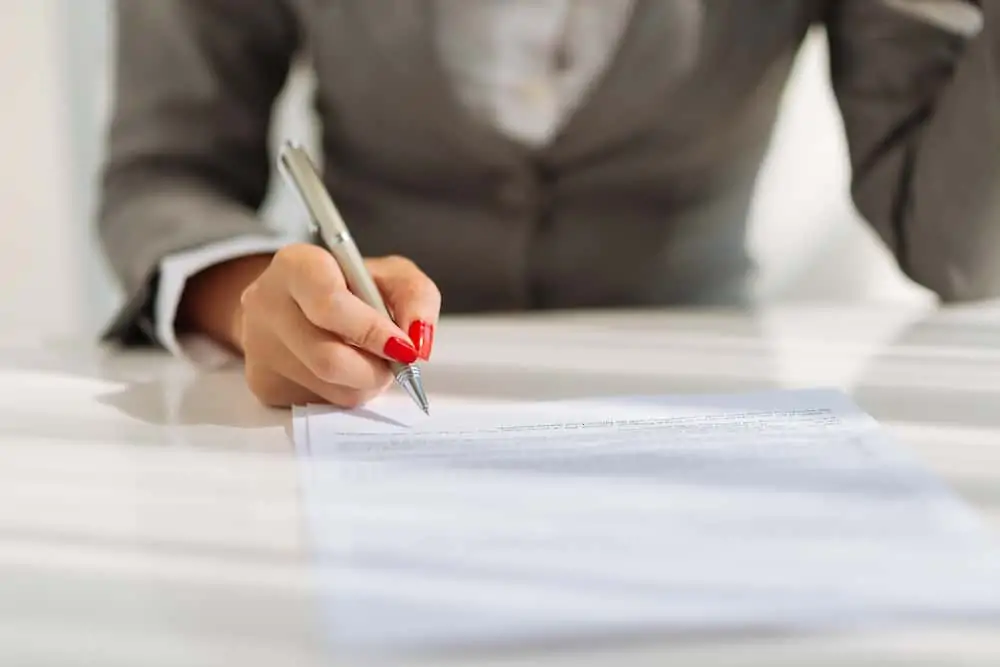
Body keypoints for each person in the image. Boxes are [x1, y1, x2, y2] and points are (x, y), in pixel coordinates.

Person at [98, 0, 996, 409]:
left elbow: (955, 246)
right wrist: (257, 296)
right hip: (354, 417)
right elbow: (165, 171)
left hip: (709, 406)